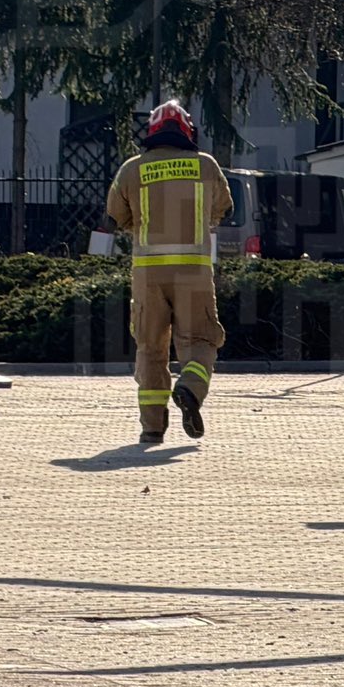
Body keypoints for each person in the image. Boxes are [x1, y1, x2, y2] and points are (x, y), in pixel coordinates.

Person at [104, 101, 232, 445]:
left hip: (148, 275)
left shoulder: (132, 169)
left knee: (150, 347)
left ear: (152, 131)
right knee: (200, 340)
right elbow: (224, 209)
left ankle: (152, 427)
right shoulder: (205, 165)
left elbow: (114, 217)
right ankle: (189, 387)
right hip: (193, 272)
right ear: (188, 131)